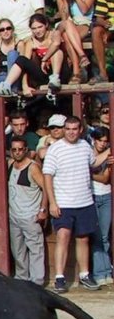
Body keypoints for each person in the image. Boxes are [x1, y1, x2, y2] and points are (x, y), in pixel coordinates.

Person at [42, 116, 102, 293]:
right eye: (68, 129)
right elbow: (47, 176)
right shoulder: (55, 149)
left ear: (80, 130)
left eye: (74, 129)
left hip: (84, 200)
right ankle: (60, 277)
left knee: (83, 238)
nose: (71, 132)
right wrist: (52, 203)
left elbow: (94, 163)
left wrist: (108, 152)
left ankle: (84, 275)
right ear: (64, 129)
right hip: (64, 202)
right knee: (63, 237)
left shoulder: (85, 146)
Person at [6, 135, 49, 285]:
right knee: (18, 250)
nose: (17, 152)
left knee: (35, 249)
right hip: (14, 215)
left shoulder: (32, 167)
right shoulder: (10, 164)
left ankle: (37, 282)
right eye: (14, 150)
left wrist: (43, 209)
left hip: (30, 215)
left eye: (20, 149)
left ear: (26, 150)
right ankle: (21, 279)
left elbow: (46, 188)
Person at [89, 130, 112, 286]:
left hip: (106, 195)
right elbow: (91, 164)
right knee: (97, 236)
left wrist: (90, 174)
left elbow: (105, 178)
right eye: (100, 141)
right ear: (94, 140)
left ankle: (105, 272)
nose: (102, 144)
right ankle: (99, 273)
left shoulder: (107, 155)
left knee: (104, 236)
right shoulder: (87, 151)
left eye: (105, 141)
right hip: (92, 196)